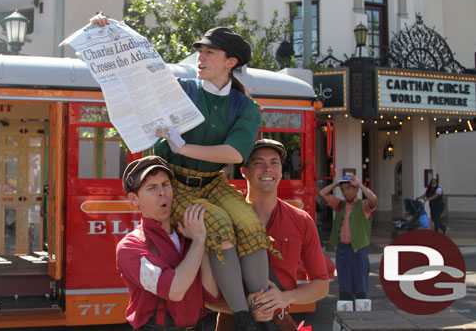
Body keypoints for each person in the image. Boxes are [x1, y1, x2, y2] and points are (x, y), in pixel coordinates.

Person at [92, 15, 274, 330]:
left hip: (213, 183)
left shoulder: (245, 106)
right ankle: (244, 317)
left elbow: (234, 154)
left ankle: (262, 312)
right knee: (216, 223)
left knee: (249, 223)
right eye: (200, 52)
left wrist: (182, 146)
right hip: (176, 181)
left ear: (230, 62)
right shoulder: (182, 89)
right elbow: (137, 76)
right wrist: (111, 33)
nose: (200, 58)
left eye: (209, 53)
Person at [216, 139, 329, 331]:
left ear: (281, 171)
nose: (268, 168)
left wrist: (287, 297)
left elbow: (321, 285)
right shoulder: (223, 220)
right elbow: (202, 295)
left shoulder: (301, 220)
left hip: (279, 321)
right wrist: (244, 309)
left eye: (274, 162)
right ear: (244, 171)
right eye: (258, 163)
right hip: (232, 323)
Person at [116, 155, 219, 330]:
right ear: (134, 199)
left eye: (165, 184)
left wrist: (201, 240)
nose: (162, 192)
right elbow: (175, 290)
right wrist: (199, 241)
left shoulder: (189, 236)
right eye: (151, 188)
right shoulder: (130, 246)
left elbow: (212, 293)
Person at [318, 174, 378, 310]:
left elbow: (374, 200)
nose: (346, 192)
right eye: (344, 189)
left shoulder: (363, 206)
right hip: (342, 251)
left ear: (356, 190)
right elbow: (322, 194)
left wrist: (361, 185)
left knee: (360, 285)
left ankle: (362, 319)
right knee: (344, 286)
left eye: (349, 189)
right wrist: (336, 184)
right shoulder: (340, 205)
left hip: (358, 251)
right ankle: (347, 318)